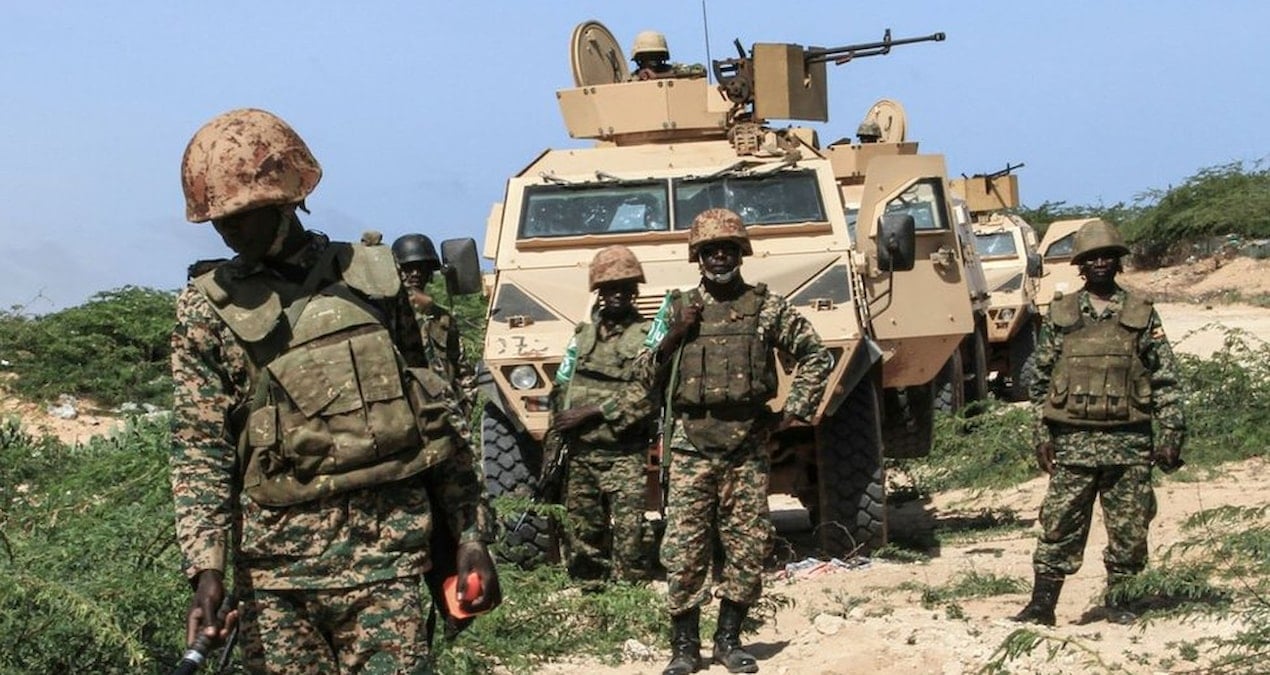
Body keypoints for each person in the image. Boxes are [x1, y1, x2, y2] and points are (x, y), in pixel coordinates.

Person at [171, 108, 499, 673]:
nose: (228, 231)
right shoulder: (205, 312)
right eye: (218, 220)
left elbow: (434, 417)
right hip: (274, 574)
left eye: (242, 215)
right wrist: (207, 570)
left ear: (286, 199)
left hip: (387, 559)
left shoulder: (374, 283)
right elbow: (200, 450)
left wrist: (470, 534)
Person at [643, 208, 833, 675]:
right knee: (684, 551)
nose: (719, 257)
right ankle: (684, 647)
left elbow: (815, 354)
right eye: (710, 250)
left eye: (727, 249)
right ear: (697, 257)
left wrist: (795, 410)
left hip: (746, 447)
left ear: (741, 253)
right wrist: (675, 334)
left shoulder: (767, 307)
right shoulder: (676, 307)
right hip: (690, 445)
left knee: (748, 547)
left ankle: (729, 640)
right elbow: (643, 373)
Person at [1012, 219, 1186, 627]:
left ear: (1119, 261)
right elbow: (1040, 381)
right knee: (1058, 526)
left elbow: (1164, 378)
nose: (1101, 263)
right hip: (1073, 444)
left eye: (1108, 256)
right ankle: (1042, 606)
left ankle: (1122, 601)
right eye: (1092, 258)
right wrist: (1041, 434)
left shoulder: (1141, 313)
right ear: (1080, 266)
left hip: (1129, 445)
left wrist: (1172, 432)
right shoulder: (1062, 314)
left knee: (1130, 531)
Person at [550, 245, 660, 583]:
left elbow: (647, 393)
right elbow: (562, 386)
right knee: (583, 532)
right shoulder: (582, 336)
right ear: (599, 291)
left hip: (624, 453)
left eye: (626, 287)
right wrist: (556, 438)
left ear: (635, 291)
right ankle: (591, 599)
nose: (618, 294)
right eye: (611, 287)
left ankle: (630, 599)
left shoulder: (647, 336)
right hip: (581, 452)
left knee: (631, 537)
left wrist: (592, 412)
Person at [391, 233, 477, 415]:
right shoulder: (388, 315)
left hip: (445, 411)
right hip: (406, 412)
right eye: (409, 268)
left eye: (421, 268)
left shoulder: (442, 319)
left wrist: (465, 408)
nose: (416, 274)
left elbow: (462, 369)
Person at [628, 30, 706, 82]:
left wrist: (658, 76)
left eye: (656, 56)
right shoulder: (633, 77)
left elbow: (701, 70)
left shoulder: (673, 70)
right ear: (639, 60)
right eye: (646, 57)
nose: (652, 61)